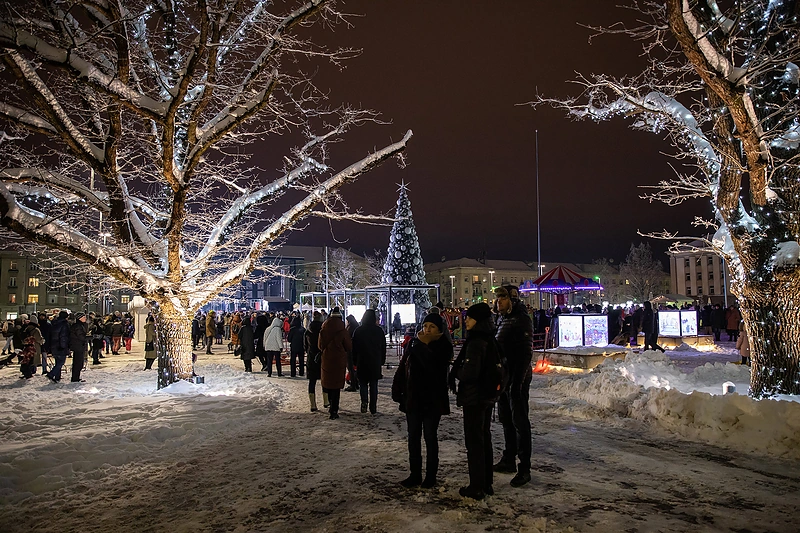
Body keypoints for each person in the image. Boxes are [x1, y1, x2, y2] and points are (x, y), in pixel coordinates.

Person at [392, 311, 452, 489]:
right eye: (425, 326)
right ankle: (415, 474)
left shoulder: (443, 346)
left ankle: (430, 476)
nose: (427, 330)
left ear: (439, 329)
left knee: (430, 438)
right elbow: (404, 366)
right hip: (413, 398)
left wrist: (420, 346)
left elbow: (433, 367)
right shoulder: (414, 343)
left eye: (431, 327)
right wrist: (398, 389)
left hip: (432, 399)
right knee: (413, 438)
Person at [449, 302, 499, 499]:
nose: (465, 320)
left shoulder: (476, 342)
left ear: (477, 321)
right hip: (486, 396)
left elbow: (470, 373)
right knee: (484, 438)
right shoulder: (489, 338)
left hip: (475, 397)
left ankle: (476, 486)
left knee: (475, 441)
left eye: (469, 318)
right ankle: (486, 482)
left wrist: (456, 371)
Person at [492, 285, 533, 488]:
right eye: (497, 298)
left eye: (503, 298)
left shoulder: (521, 319)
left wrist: (517, 382)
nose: (498, 301)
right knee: (506, 419)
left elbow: (526, 353)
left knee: (519, 422)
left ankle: (524, 468)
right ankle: (508, 458)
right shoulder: (502, 318)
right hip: (505, 377)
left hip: (517, 378)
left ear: (513, 300)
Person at [318, 307, 351, 420]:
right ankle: (334, 410)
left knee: (328, 383)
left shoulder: (324, 328)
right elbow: (348, 346)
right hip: (339, 360)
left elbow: (320, 346)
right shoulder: (343, 330)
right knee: (336, 386)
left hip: (327, 359)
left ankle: (330, 404)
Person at [352, 309, 387, 414]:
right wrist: (382, 360)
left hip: (362, 361)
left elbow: (354, 348)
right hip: (374, 361)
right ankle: (373, 406)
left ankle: (364, 402)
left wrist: (354, 361)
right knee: (373, 385)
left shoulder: (358, 330)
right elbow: (383, 348)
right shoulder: (379, 331)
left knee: (363, 384)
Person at [304, 311, 326, 411]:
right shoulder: (323, 330)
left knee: (312, 382)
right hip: (322, 357)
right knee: (324, 380)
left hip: (311, 357)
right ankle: (326, 401)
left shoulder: (308, 331)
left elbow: (305, 345)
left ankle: (313, 405)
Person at [47, 311, 71, 383]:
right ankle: (51, 374)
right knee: (61, 362)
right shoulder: (64, 324)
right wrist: (63, 346)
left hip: (54, 345)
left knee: (58, 361)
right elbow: (63, 336)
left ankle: (57, 377)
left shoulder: (54, 323)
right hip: (60, 345)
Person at [69, 313, 89, 382]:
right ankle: (75, 377)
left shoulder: (80, 325)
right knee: (78, 362)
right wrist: (88, 337)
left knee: (78, 362)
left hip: (78, 345)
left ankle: (76, 377)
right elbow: (81, 336)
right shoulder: (78, 326)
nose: (85, 318)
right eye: (84, 317)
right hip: (78, 346)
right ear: (79, 318)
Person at [344, 314, 360, 392]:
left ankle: (353, 384)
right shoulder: (357, 327)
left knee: (350, 368)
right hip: (356, 350)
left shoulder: (350, 328)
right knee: (354, 368)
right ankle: (356, 383)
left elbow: (346, 339)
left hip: (350, 351)